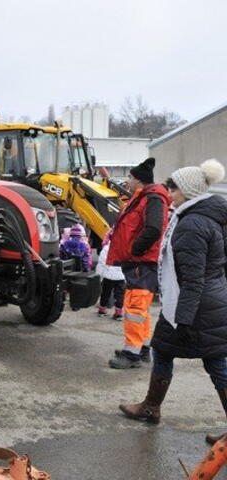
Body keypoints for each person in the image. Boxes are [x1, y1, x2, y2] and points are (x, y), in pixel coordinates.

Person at [118, 159, 227, 441]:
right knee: (164, 350)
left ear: (189, 191)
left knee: (215, 362)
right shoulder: (199, 216)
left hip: (195, 307)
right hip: (201, 303)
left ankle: (150, 407)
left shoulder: (192, 225)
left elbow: (193, 279)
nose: (170, 193)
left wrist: (184, 319)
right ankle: (150, 407)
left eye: (174, 188)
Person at [107, 157, 171, 369]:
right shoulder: (146, 197)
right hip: (140, 262)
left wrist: (135, 249)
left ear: (138, 180)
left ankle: (131, 353)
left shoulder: (152, 198)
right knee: (139, 308)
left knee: (135, 307)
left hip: (141, 262)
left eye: (130, 177)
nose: (128, 180)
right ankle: (142, 348)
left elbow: (153, 229)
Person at [96, 231, 126, 320]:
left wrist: (99, 275)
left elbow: (101, 262)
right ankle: (118, 313)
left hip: (108, 275)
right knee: (120, 294)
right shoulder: (124, 248)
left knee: (105, 293)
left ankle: (102, 310)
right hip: (121, 277)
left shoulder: (106, 249)